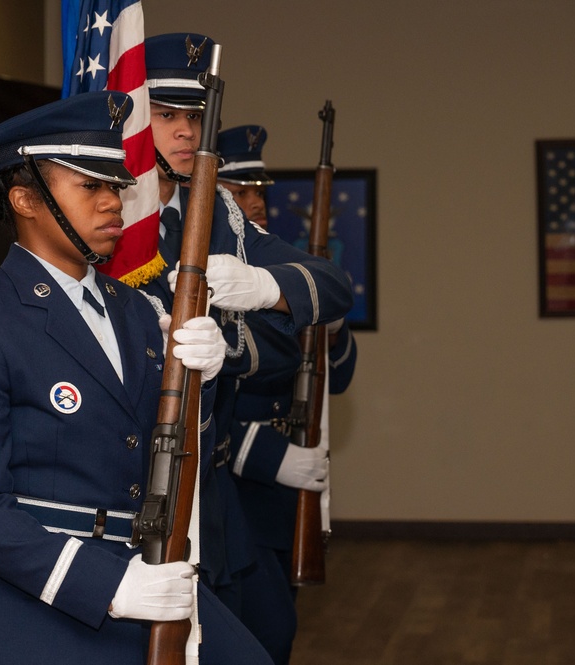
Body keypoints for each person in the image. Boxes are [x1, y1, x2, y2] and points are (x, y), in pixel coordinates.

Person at [0, 91, 273, 665]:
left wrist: (199, 389)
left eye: (114, 185)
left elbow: (178, 460)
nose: (114, 201)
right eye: (91, 186)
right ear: (25, 200)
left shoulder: (135, 310)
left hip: (142, 573)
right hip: (36, 591)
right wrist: (106, 585)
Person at [138, 33, 355, 618]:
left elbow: (330, 288)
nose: (187, 130)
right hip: (135, 479)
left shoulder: (214, 213)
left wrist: (266, 287)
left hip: (208, 481)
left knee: (268, 632)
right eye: (167, 115)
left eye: (195, 116)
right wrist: (246, 338)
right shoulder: (115, 222)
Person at [216, 124, 359, 664]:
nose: (255, 203)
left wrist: (334, 331)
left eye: (259, 192)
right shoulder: (211, 274)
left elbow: (336, 380)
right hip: (232, 485)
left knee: (278, 632)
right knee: (264, 634)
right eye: (240, 191)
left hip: (281, 498)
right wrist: (270, 457)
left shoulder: (283, 277)